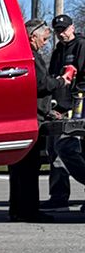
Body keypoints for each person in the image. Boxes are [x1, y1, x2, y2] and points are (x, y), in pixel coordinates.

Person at [13, 18, 74, 222]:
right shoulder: (31, 56)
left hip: (28, 114)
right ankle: (29, 211)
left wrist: (49, 111)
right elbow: (41, 84)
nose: (45, 43)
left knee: (19, 166)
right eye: (44, 39)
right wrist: (61, 81)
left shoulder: (22, 54)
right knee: (29, 167)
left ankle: (17, 209)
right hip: (32, 118)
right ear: (33, 37)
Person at [42, 13, 85, 210]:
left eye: (64, 29)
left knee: (67, 148)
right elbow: (53, 78)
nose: (61, 33)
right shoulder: (58, 50)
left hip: (78, 104)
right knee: (54, 150)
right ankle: (58, 196)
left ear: (72, 27)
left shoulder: (81, 46)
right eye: (58, 30)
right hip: (59, 106)